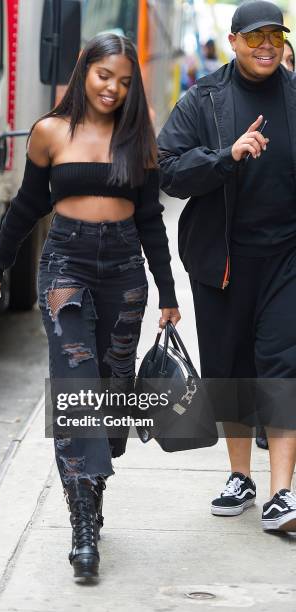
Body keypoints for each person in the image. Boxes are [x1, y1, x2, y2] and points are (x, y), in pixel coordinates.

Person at [0, 33, 180, 579]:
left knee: (111, 396)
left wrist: (168, 291)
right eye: (102, 75)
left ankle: (92, 485)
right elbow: (25, 207)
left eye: (123, 80)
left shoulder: (139, 138)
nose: (112, 88)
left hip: (123, 269)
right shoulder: (49, 133)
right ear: (83, 71)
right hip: (65, 265)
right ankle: (84, 524)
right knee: (76, 387)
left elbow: (149, 223)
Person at [157, 0, 296, 532]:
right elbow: (168, 170)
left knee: (284, 365)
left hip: (287, 257)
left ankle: (283, 492)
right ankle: (241, 476)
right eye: (255, 36)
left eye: (275, 37)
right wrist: (226, 156)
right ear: (234, 41)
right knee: (231, 366)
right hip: (224, 259)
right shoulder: (204, 100)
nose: (266, 46)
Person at [256, 35, 295, 452]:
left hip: (288, 253)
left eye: (289, 61)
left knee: (283, 352)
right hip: (243, 256)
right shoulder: (219, 102)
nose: (280, 67)